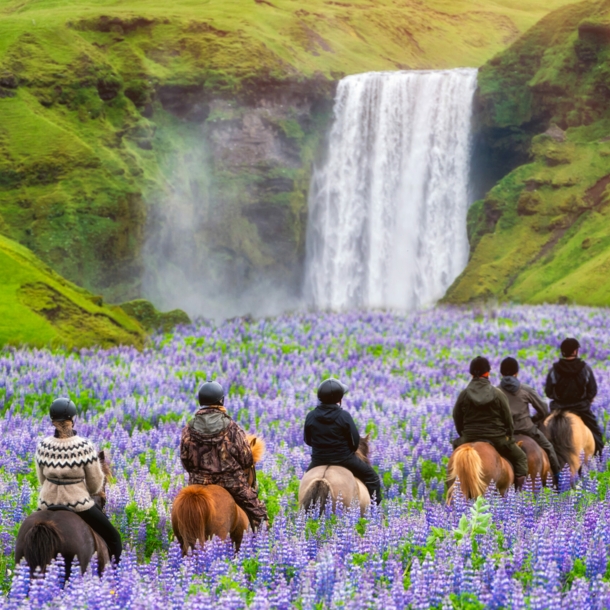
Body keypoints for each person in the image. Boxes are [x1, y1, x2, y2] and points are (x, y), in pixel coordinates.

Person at [35, 397, 122, 562]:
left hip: (46, 503)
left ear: (53, 421)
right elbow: (95, 484)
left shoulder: (43, 446)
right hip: (78, 504)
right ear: (72, 420)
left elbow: (41, 480)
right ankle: (114, 580)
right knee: (114, 538)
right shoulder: (84, 446)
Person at [180, 381, 268, 530]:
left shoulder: (189, 427)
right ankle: (261, 537)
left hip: (198, 481)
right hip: (230, 482)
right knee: (258, 511)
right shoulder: (232, 427)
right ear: (221, 400)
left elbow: (185, 460)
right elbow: (246, 459)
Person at [453, 357, 528, 489]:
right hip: (496, 437)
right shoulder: (497, 394)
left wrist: (463, 435)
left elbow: (456, 416)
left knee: (455, 457)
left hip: (469, 436)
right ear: (487, 373)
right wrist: (509, 436)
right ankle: (519, 495)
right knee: (521, 458)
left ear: (471, 374)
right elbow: (508, 419)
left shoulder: (464, 395)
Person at [304, 378, 382, 504]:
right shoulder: (344, 416)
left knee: (305, 481)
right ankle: (376, 512)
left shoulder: (311, 416)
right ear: (339, 399)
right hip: (344, 459)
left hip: (318, 459)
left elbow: (307, 440)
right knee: (372, 477)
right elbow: (355, 441)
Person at [497, 357, 561, 478]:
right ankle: (559, 479)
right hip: (526, 428)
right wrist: (533, 419)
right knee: (548, 448)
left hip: (504, 432)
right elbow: (543, 408)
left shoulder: (495, 391)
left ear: (501, 373)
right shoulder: (525, 389)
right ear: (516, 373)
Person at [545, 337, 603, 455]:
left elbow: (549, 392)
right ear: (575, 351)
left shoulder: (554, 369)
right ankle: (600, 457)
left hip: (558, 409)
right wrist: (586, 399)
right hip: (580, 409)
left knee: (540, 432)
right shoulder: (585, 368)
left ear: (562, 352)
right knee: (596, 435)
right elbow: (593, 390)